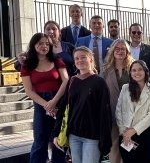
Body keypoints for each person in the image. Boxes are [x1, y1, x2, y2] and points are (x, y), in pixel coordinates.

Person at [53, 46, 112, 163]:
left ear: (91, 59)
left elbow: (105, 113)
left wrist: (105, 140)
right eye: (76, 58)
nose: (80, 60)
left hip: (92, 136)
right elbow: (63, 108)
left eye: (83, 57)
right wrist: (56, 133)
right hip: (74, 135)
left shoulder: (99, 82)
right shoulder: (72, 81)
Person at [20, 33, 68, 163]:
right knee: (40, 140)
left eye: (47, 44)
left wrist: (54, 101)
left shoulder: (56, 60)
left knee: (59, 139)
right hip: (40, 104)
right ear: (33, 45)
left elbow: (66, 81)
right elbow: (29, 91)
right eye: (40, 43)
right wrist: (47, 105)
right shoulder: (27, 65)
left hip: (58, 100)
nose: (44, 46)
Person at [115, 60, 150, 163]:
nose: (137, 73)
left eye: (140, 69)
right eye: (133, 70)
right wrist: (124, 132)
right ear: (130, 73)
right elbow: (118, 110)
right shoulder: (125, 88)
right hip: (125, 135)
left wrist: (133, 131)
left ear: (145, 71)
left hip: (143, 134)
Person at [101, 38, 134, 163]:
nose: (120, 51)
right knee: (114, 148)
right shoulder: (105, 69)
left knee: (130, 147)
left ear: (127, 52)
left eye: (123, 49)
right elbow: (101, 92)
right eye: (117, 49)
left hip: (131, 115)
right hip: (112, 113)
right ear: (112, 51)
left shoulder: (133, 68)